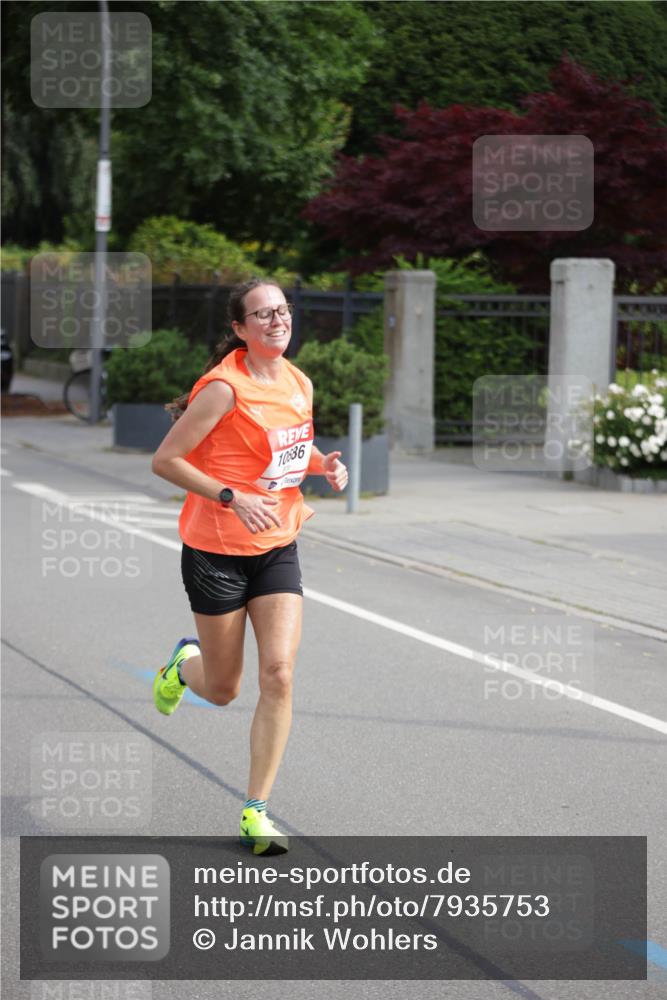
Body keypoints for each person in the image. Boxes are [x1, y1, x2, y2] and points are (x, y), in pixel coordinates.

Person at [151, 278, 348, 855]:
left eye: (282, 311)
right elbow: (166, 461)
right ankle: (181, 667)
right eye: (262, 315)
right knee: (222, 689)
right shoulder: (222, 389)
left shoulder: (298, 381)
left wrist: (321, 466)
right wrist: (231, 497)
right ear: (239, 328)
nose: (276, 321)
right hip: (216, 549)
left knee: (280, 674)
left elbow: (284, 450)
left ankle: (255, 812)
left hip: (277, 543)